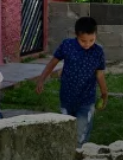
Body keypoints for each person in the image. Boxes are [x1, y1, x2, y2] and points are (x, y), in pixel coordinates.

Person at [36, 16, 108, 148]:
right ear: (76, 35)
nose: (87, 44)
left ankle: (78, 153)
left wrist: (104, 93)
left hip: (86, 100)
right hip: (67, 98)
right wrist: (42, 79)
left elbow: (100, 74)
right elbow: (53, 62)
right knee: (66, 131)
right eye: (83, 41)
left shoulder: (98, 51)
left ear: (96, 35)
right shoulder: (67, 45)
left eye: (91, 40)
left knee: (81, 134)